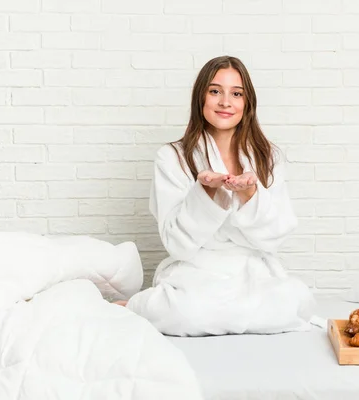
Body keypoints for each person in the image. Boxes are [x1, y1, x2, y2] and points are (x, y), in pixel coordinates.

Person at [124, 56, 316, 336]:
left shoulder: (267, 157)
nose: (226, 102)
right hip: (198, 271)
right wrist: (205, 192)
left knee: (297, 301)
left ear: (247, 102)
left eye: (236, 94)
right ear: (200, 97)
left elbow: (277, 234)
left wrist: (250, 193)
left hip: (254, 273)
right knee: (188, 313)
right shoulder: (173, 157)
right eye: (215, 91)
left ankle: (206, 311)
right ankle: (136, 304)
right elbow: (177, 243)